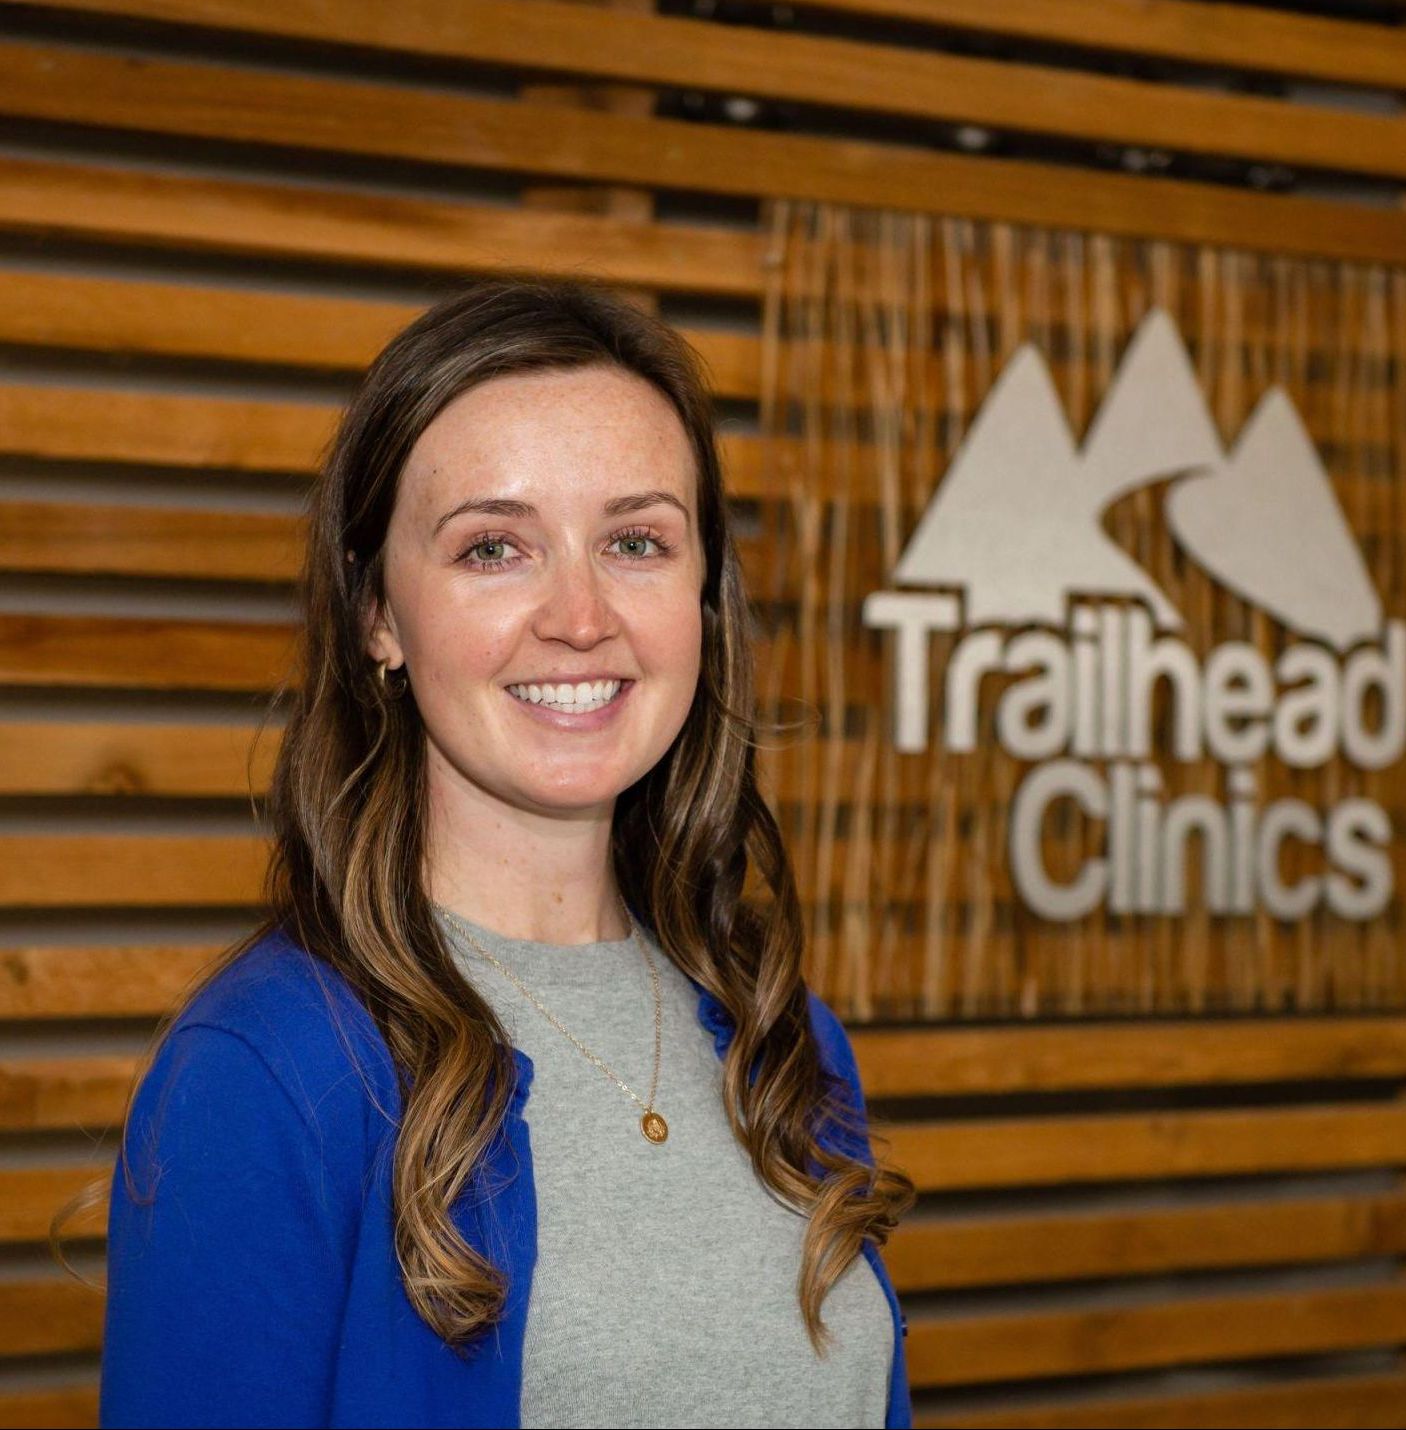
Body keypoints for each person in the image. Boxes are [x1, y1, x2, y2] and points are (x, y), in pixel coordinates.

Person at [85, 274, 916, 1428]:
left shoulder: (783, 1037)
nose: (580, 614)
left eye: (635, 539)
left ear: (704, 597)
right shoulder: (269, 1071)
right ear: (379, 612)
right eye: (493, 548)